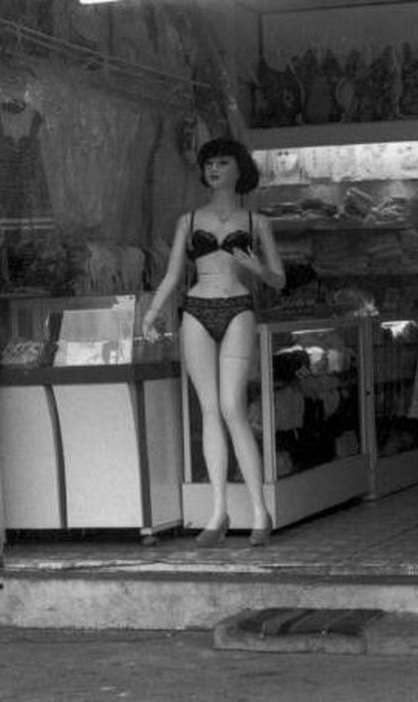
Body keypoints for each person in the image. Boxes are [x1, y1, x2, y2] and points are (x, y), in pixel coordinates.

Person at [142, 137, 286, 548]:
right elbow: (173, 276)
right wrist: (152, 314)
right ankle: (218, 511)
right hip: (196, 310)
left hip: (238, 306)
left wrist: (257, 268)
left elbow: (280, 278)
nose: (214, 169)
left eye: (223, 162)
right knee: (208, 410)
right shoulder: (188, 220)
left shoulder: (257, 222)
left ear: (240, 168)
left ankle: (260, 510)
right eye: (209, 163)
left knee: (231, 407)